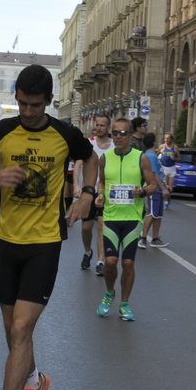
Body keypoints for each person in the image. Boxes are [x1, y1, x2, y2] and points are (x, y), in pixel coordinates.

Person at [0, 64, 98, 390]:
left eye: (34, 105)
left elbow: (92, 159)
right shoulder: (1, 132)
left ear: (48, 102)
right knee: (12, 332)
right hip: (5, 241)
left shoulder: (64, 134)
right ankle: (36, 381)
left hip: (45, 241)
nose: (26, 111)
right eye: (21, 103)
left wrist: (87, 193)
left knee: (21, 330)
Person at [96, 118, 157, 320]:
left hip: (132, 218)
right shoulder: (104, 159)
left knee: (128, 263)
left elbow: (152, 185)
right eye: (115, 133)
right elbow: (102, 183)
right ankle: (109, 293)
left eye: (123, 133)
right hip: (111, 217)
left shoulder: (141, 158)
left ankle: (124, 303)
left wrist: (142, 192)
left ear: (130, 136)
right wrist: (99, 194)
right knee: (111, 262)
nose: (119, 137)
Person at [77, 113, 112, 272]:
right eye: (97, 124)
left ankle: (100, 261)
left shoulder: (113, 146)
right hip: (89, 191)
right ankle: (87, 251)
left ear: (108, 127)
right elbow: (78, 164)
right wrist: (77, 186)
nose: (98, 128)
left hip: (105, 192)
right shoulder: (88, 144)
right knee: (86, 228)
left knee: (102, 227)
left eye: (102, 125)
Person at [138, 131, 169, 247]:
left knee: (158, 214)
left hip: (159, 188)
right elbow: (154, 174)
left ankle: (155, 238)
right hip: (155, 189)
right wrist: (162, 188)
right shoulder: (150, 156)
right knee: (151, 213)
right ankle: (143, 238)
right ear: (153, 142)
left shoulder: (152, 155)